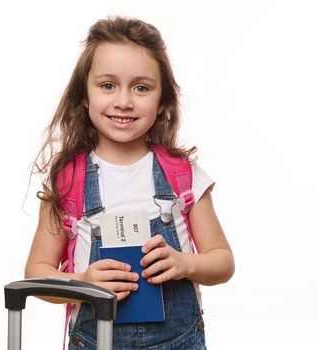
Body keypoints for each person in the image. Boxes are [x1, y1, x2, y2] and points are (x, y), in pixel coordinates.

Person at [24, 16, 235, 350]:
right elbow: (36, 274)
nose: (123, 101)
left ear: (163, 100)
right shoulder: (68, 180)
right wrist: (83, 281)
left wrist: (186, 263)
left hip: (179, 342)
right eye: (108, 85)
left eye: (141, 87)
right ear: (84, 95)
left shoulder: (182, 175)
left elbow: (223, 261)